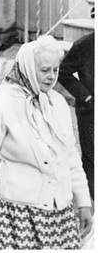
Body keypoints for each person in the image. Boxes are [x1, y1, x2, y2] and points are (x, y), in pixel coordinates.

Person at [0, 36, 93, 249]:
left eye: (55, 70)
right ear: (29, 68)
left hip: (60, 213)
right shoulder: (3, 103)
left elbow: (70, 156)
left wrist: (84, 202)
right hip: (19, 216)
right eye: (44, 70)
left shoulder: (57, 102)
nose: (52, 77)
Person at [58, 32, 94, 200]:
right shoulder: (84, 45)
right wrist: (86, 96)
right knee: (91, 155)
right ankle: (91, 195)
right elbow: (63, 72)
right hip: (90, 111)